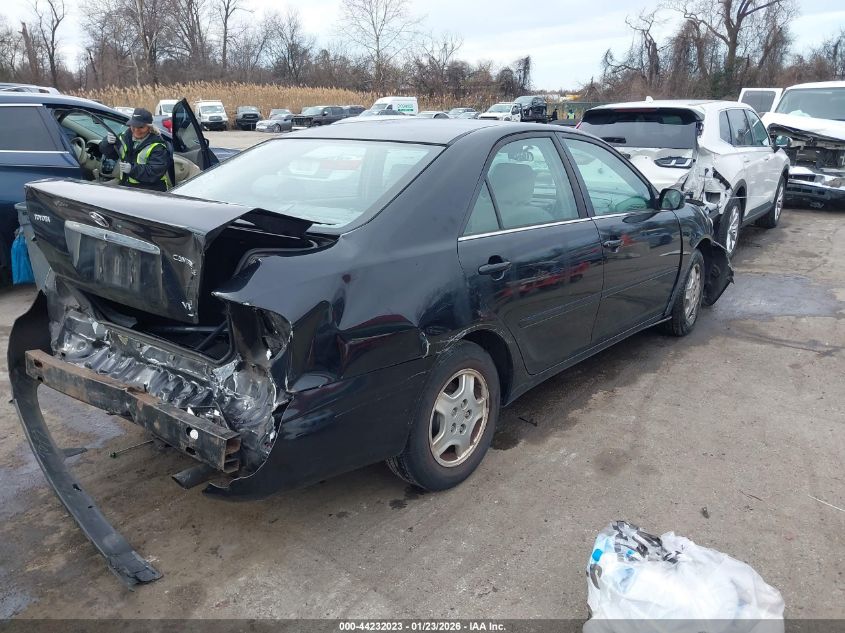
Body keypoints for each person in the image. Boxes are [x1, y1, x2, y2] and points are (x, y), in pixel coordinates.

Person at [100, 107, 174, 191]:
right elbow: (109, 154)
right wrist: (107, 143)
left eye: (141, 127)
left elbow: (154, 173)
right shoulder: (124, 137)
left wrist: (132, 169)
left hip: (151, 191)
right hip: (127, 186)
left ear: (149, 128)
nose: (136, 130)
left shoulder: (158, 146)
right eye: (134, 126)